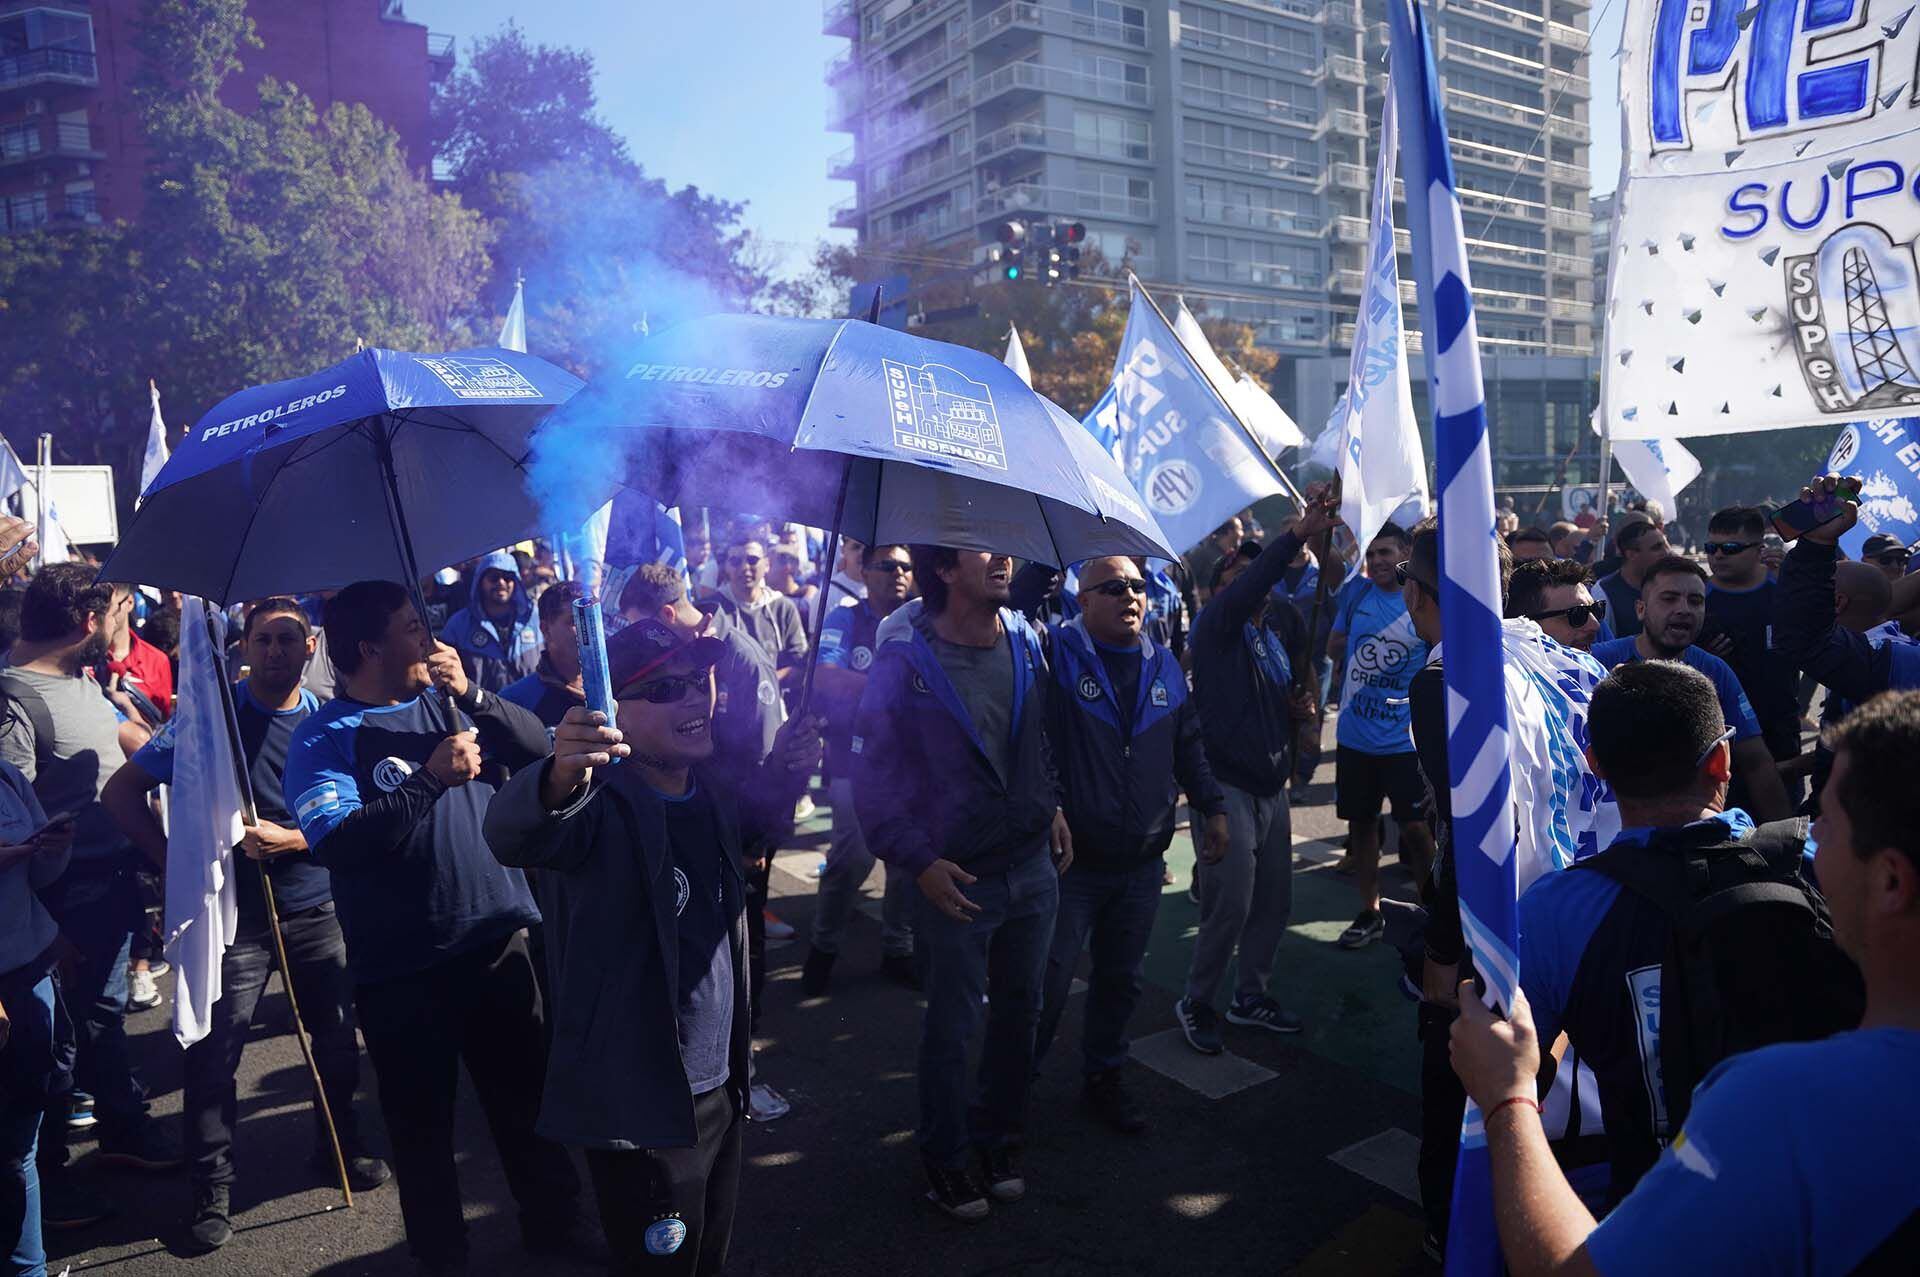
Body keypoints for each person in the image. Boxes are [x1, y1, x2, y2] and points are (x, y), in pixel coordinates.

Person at [1447, 688, 1920, 1277]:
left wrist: (1505, 1098)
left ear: (1594, 766)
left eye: (1826, 819)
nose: (1813, 835)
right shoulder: (1799, 864)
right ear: (1720, 764)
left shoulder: (1773, 1105)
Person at [485, 618, 820, 1276]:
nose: (696, 700)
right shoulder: (594, 805)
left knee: (707, 1258)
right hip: (642, 1106)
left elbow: (757, 827)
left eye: (701, 681)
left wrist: (787, 769)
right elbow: (514, 833)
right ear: (615, 713)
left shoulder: (711, 786)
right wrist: (557, 774)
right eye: (666, 688)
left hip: (720, 1084)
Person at [283, 581, 589, 1276]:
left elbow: (541, 744)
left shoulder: (450, 699)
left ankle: (556, 1224)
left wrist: (475, 696)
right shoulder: (325, 734)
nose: (429, 636)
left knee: (527, 1104)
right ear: (370, 648)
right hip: (402, 968)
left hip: (496, 940)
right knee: (421, 1129)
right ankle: (442, 1254)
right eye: (413, 627)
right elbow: (336, 840)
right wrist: (425, 780)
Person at [99, 599, 390, 1252]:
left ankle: (341, 1142)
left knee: (339, 1045)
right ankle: (212, 1186)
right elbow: (120, 793)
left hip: (318, 911)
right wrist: (177, 861)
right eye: (265, 638)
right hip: (234, 926)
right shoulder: (210, 721)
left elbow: (367, 818)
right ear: (244, 646)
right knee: (211, 1058)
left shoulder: (329, 721)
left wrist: (294, 839)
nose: (278, 650)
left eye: (290, 638)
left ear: (311, 645)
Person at [1512, 660, 1856, 1206]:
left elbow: (1517, 1069)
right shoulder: (1823, 861)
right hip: (1829, 1197)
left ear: (1595, 765)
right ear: (1722, 760)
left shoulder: (1552, 913)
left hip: (1651, 1212)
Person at [852, 546, 1072, 1222]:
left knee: (1020, 1014)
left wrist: (1052, 801)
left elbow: (1038, 742)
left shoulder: (1028, 641)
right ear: (944, 570)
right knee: (952, 1026)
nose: (1007, 557)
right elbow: (874, 782)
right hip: (955, 876)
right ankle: (945, 1158)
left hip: (1032, 866)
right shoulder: (903, 662)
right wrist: (918, 861)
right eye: (986, 548)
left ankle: (998, 1139)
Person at [1, 565, 180, 1222]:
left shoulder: (78, 678)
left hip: (109, 886)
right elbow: (11, 819)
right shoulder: (13, 700)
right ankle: (52, 1183)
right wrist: (48, 929)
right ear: (85, 621)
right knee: (56, 1046)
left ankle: (119, 1135)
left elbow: (120, 743)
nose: (121, 626)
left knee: (93, 1025)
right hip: (64, 904)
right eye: (114, 613)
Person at [1038, 555, 1228, 1129]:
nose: (1131, 596)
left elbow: (1187, 742)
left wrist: (1211, 804)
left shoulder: (1164, 662)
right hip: (1072, 867)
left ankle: (1104, 1077)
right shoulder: (1054, 656)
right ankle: (1008, 1091)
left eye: (1138, 587)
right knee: (1044, 986)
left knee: (1120, 982)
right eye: (1115, 587)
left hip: (1143, 862)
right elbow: (1035, 746)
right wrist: (1050, 806)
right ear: (1083, 598)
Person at [1175, 509, 1332, 1051]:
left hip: (1272, 784)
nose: (1244, 586)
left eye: (1250, 576)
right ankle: (1197, 999)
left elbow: (1279, 698)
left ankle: (1250, 997)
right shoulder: (1216, 626)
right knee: (1232, 902)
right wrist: (1295, 536)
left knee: (1272, 902)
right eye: (1232, 581)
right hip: (1226, 786)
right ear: (1219, 593)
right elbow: (1253, 585)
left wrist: (1298, 707)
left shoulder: (1273, 631)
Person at [1590, 557, 1791, 820]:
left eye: (1695, 601)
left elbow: (1757, 762)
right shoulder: (1597, 663)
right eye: (1669, 598)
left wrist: (1786, 840)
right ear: (1641, 609)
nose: (1684, 609)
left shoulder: (1716, 671)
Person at [801, 544, 918, 995]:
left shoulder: (922, 621)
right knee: (850, 859)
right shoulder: (844, 617)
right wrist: (892, 690)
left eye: (906, 566)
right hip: (855, 761)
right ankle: (823, 949)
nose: (898, 574)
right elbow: (827, 677)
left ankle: (898, 949)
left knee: (908, 862)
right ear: (864, 571)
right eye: (887, 566)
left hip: (911, 766)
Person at [1328, 523, 1436, 949]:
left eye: (1386, 552)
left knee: (1414, 831)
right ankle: (1369, 910)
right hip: (1355, 737)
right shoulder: (1356, 595)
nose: (1377, 562)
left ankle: (1432, 913)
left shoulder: (1420, 601)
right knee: (1363, 828)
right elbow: (1335, 643)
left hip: (1403, 742)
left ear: (1406, 552)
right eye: (1371, 555)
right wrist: (1352, 657)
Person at [0, 741, 73, 1277]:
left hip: (27, 977)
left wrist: (52, 850)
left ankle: (30, 1268)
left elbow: (40, 880)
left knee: (19, 1143)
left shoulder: (6, 776)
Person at [1700, 507, 1802, 800]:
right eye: (1712, 548)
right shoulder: (1696, 599)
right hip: (1718, 737)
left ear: (1759, 549)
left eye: (1730, 548)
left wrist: (1791, 585)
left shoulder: (1782, 591)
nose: (1718, 556)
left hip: (1778, 733)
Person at [439, 551, 541, 695]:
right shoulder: (458, 626)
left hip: (533, 710)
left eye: (507, 577)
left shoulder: (534, 618)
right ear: (480, 581)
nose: (501, 583)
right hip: (484, 713)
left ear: (516, 581)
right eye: (493, 578)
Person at [712, 536, 808, 686]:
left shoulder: (784, 608)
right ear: (726, 566)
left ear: (767, 564)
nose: (744, 568)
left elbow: (799, 664)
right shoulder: (713, 610)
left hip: (776, 703)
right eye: (736, 561)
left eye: (752, 560)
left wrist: (763, 683)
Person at [500, 581, 588, 732]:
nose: (587, 629)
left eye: (592, 618)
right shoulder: (515, 703)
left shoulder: (619, 685)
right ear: (546, 629)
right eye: (574, 621)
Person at [101, 586, 172, 720]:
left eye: (110, 607)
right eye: (99, 609)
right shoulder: (84, 657)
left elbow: (163, 721)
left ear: (130, 603)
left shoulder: (157, 660)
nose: (104, 616)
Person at [1591, 519, 1668, 640]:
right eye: (1657, 548)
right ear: (1631, 554)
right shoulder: (1604, 592)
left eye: (1665, 545)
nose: (1666, 552)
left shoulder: (1673, 584)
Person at [1506, 559, 1605, 651]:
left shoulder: (1595, 668)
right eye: (1577, 614)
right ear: (1525, 624)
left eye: (1596, 609)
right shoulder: (1503, 669)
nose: (1595, 625)